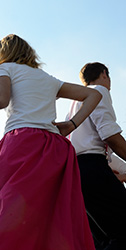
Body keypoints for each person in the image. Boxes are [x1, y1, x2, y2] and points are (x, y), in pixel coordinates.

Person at [0, 34, 102, 250]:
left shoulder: (5, 68)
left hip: (23, 143)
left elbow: (0, 99)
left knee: (3, 210)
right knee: (50, 219)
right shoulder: (48, 78)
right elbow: (93, 95)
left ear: (3, 52)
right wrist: (71, 125)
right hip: (54, 149)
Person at [67, 62, 126, 249]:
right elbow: (109, 134)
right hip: (92, 167)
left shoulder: (76, 101)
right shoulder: (99, 91)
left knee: (102, 239)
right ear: (104, 74)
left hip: (76, 173)